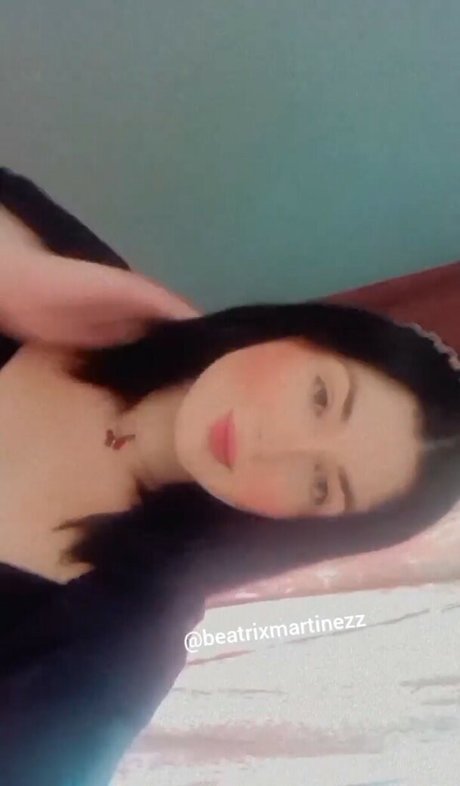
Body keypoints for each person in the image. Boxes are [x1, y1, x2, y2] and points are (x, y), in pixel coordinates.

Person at [1, 167, 459, 785]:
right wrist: (18, 275)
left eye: (320, 485)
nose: (274, 447)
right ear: (302, 337)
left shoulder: (116, 640)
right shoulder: (90, 287)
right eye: (320, 398)